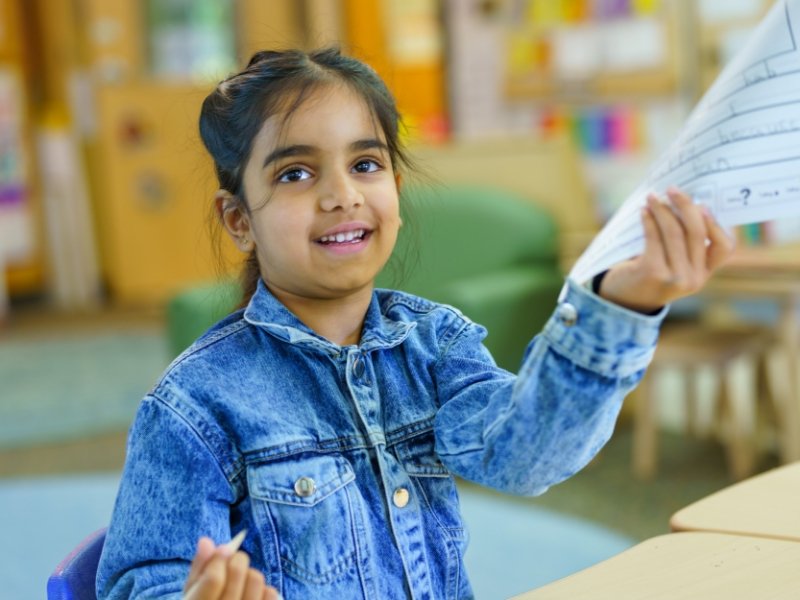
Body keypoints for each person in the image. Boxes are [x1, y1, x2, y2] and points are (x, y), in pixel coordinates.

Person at [96, 47, 734, 600]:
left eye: (365, 164)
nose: (341, 193)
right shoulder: (194, 406)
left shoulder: (432, 346)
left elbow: (528, 453)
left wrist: (622, 305)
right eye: (295, 172)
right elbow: (141, 579)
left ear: (395, 187)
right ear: (238, 219)